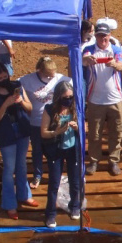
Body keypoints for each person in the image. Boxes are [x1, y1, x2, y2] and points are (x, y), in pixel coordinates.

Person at [0, 63, 37, 219]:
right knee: (9, 168)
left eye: (5, 76)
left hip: (22, 129)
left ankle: (24, 195)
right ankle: (9, 204)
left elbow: (30, 108)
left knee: (21, 164)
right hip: (5, 133)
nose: (3, 80)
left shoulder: (17, 86)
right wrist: (5, 104)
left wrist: (20, 101)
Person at [82, 23, 122, 176]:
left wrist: (114, 63)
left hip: (115, 99)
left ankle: (113, 160)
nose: (103, 38)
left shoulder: (116, 50)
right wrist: (88, 60)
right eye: (100, 35)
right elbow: (84, 59)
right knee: (94, 134)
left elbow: (121, 65)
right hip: (95, 100)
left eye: (105, 35)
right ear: (96, 37)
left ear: (109, 35)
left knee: (117, 132)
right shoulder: (89, 49)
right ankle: (94, 161)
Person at [41, 81, 82, 228]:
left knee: (75, 181)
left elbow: (85, 130)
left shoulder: (75, 108)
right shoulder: (50, 109)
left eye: (71, 97)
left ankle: (75, 205)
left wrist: (78, 128)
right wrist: (57, 131)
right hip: (56, 150)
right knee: (54, 183)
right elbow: (43, 133)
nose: (68, 100)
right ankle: (51, 214)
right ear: (58, 97)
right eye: (65, 97)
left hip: (72, 149)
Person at [22, 56, 66, 189]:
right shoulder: (27, 80)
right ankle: (37, 174)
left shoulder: (60, 78)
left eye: (52, 75)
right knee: (37, 150)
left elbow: (75, 84)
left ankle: (55, 175)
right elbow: (15, 85)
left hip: (53, 122)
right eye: (47, 75)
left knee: (55, 149)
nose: (51, 78)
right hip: (35, 122)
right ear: (39, 71)